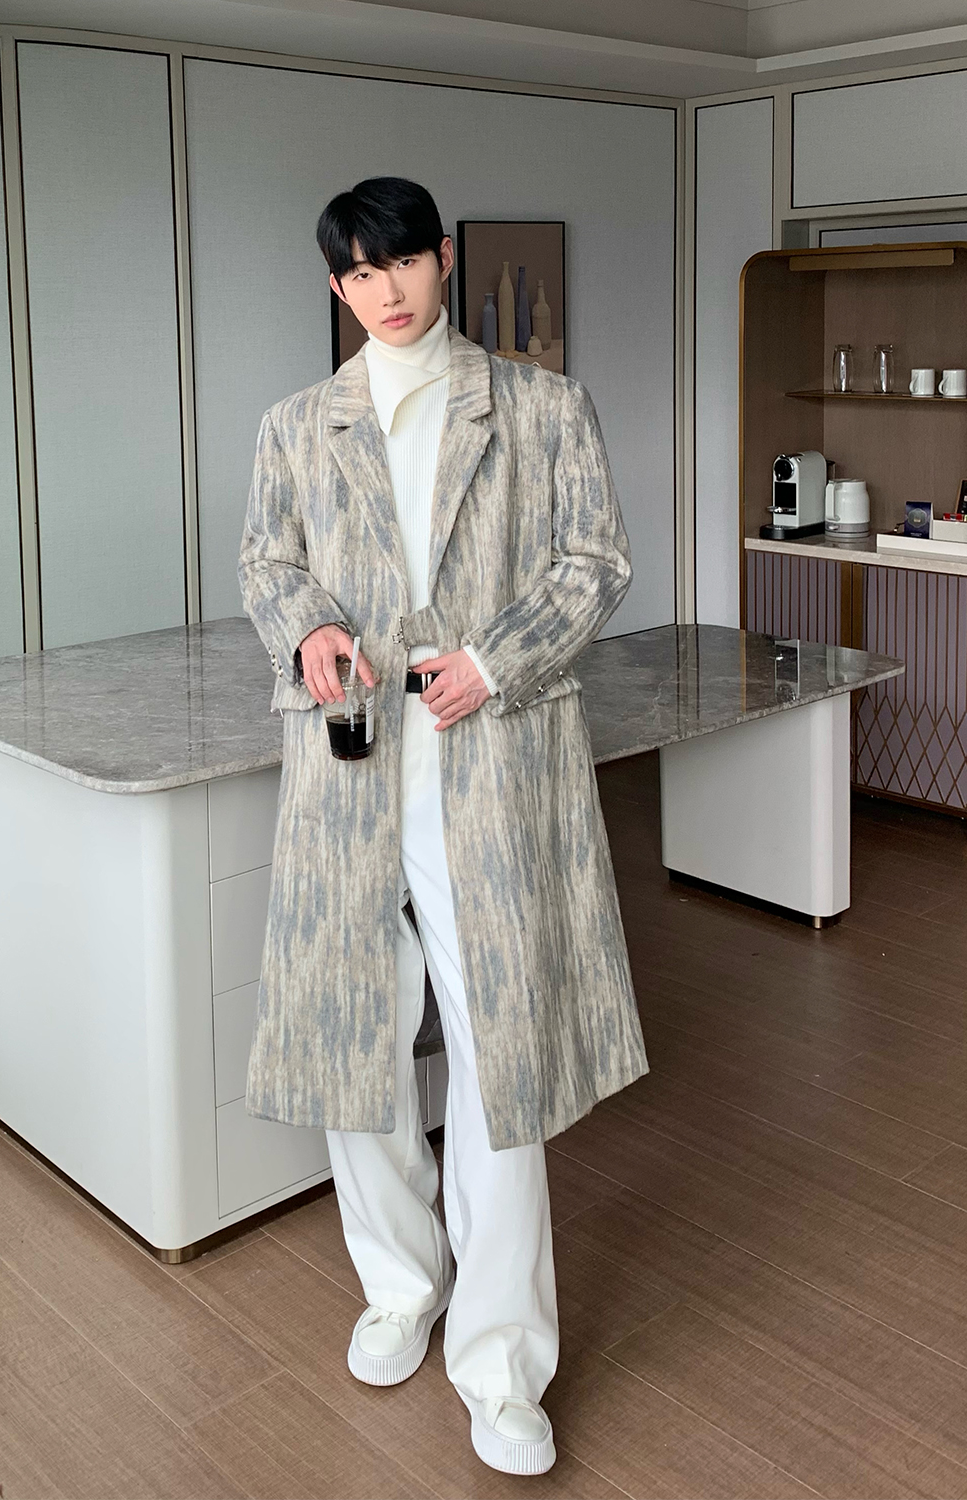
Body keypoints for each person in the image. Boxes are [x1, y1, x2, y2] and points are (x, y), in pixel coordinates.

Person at [238, 176, 648, 1476]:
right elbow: (267, 561)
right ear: (337, 286)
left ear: (443, 259)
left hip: (491, 764)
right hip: (350, 765)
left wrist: (496, 660)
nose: (388, 289)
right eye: (361, 273)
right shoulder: (297, 425)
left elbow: (593, 561)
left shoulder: (540, 406)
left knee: (497, 1056)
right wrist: (309, 625)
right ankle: (400, 1286)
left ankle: (502, 1357)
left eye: (403, 260)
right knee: (353, 1042)